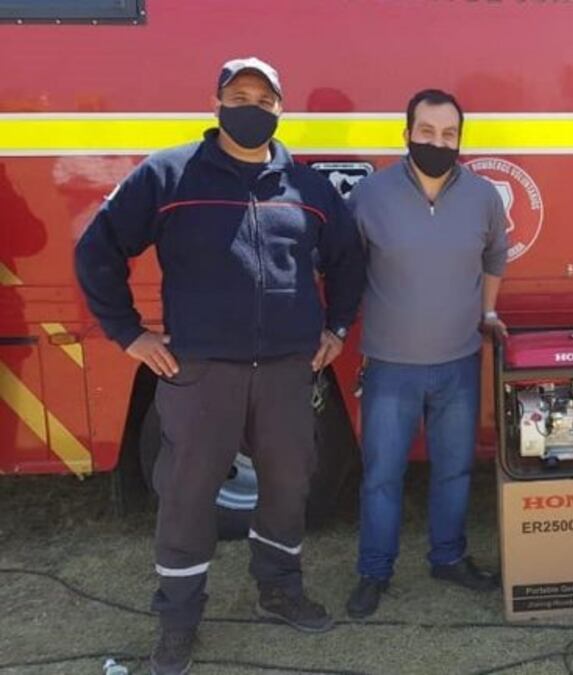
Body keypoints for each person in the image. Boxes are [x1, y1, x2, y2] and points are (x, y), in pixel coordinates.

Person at [74, 57, 366, 675]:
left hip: (289, 371)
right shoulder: (169, 174)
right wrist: (129, 334)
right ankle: (178, 620)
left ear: (280, 109)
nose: (251, 106)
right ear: (216, 103)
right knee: (186, 495)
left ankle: (279, 590)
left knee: (290, 486)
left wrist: (337, 328)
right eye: (239, 94)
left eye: (263, 98)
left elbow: (348, 259)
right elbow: (97, 249)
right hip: (201, 371)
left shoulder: (307, 187)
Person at [344, 89, 509, 619]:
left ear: (460, 139)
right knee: (382, 475)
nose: (438, 142)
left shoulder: (483, 196)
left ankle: (448, 558)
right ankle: (374, 572)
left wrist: (486, 314)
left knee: (455, 470)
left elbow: (495, 256)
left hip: (460, 362)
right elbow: (348, 270)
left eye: (449, 134)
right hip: (390, 366)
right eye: (427, 132)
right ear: (407, 133)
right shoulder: (369, 196)